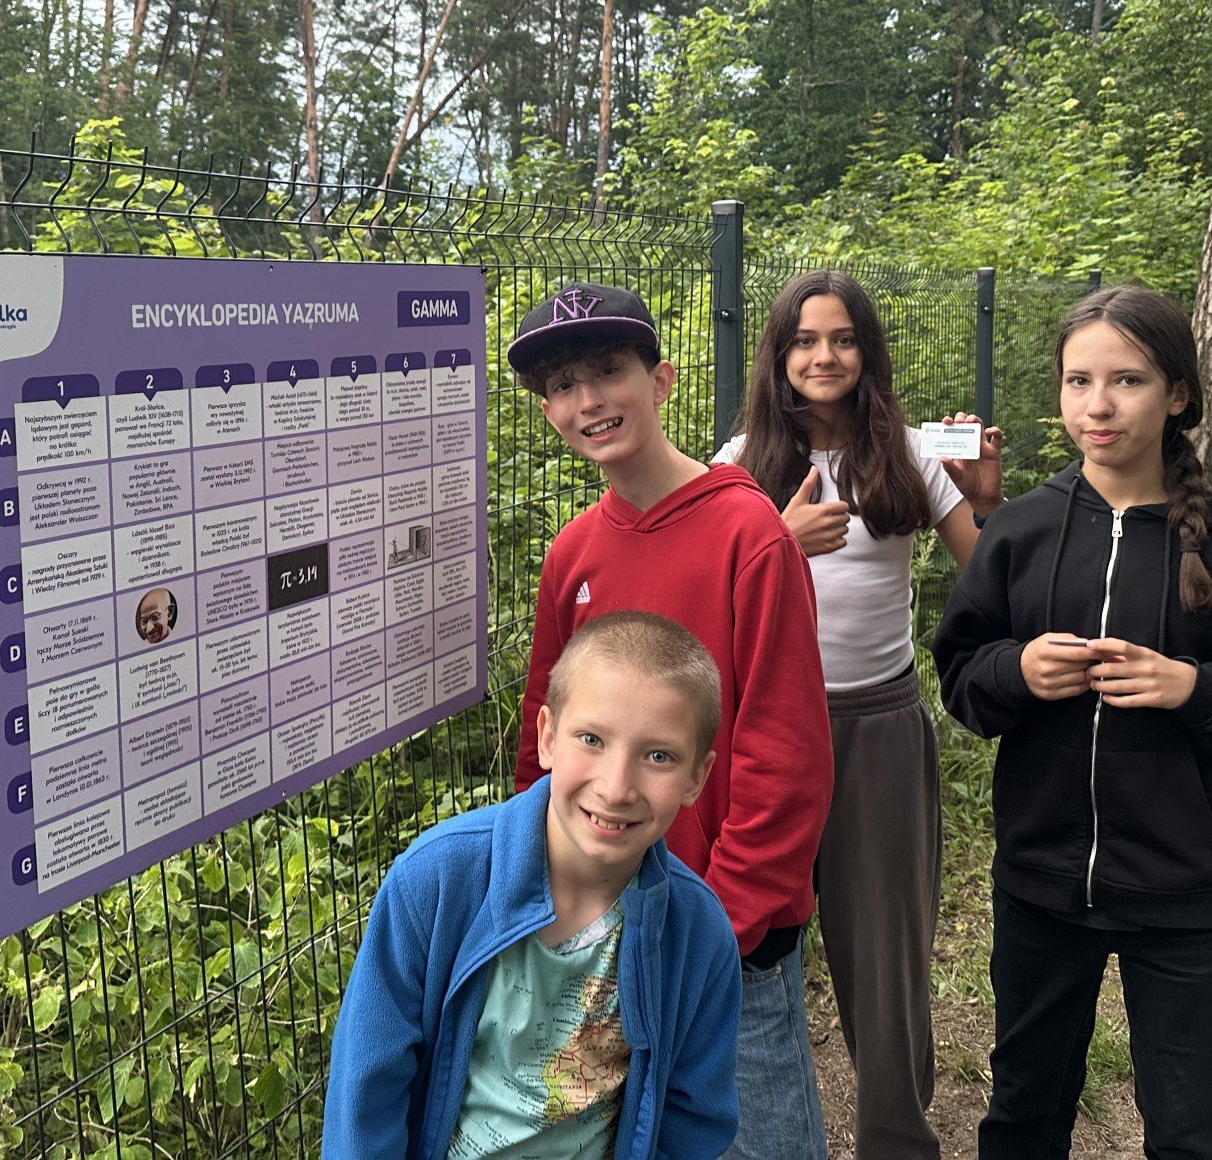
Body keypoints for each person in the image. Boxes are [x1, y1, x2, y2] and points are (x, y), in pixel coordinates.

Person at [932, 285, 1212, 1159]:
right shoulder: (1019, 533)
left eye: (1127, 380)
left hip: (1192, 896)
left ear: (1177, 395)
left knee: (1190, 1134)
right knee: (1023, 1115)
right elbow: (962, 678)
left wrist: (1192, 688)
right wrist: (1018, 670)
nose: (1097, 406)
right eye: (1079, 382)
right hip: (1042, 884)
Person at [510, 281, 834, 1159]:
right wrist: (544, 889)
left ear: (661, 380)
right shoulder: (573, 554)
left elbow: (786, 757)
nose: (588, 400)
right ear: (548, 412)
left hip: (731, 937)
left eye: (608, 371)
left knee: (758, 1139)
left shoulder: (749, 535)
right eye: (563, 385)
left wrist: (720, 927)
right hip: (606, 918)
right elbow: (547, 737)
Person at [712, 268, 1002, 1159]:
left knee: (886, 954)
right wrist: (775, 541)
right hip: (764, 732)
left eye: (842, 339)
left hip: (877, 728)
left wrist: (985, 502)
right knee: (751, 945)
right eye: (804, 340)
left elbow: (990, 579)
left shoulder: (911, 454)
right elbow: (704, 601)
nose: (824, 356)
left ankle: (896, 1138)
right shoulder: (737, 466)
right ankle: (753, 1132)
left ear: (868, 353)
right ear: (778, 355)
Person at [321, 611, 742, 1159]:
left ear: (696, 778)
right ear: (546, 737)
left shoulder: (700, 936)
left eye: (658, 756)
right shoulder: (434, 883)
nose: (616, 787)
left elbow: (693, 1122)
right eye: (592, 739)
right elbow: (366, 1094)